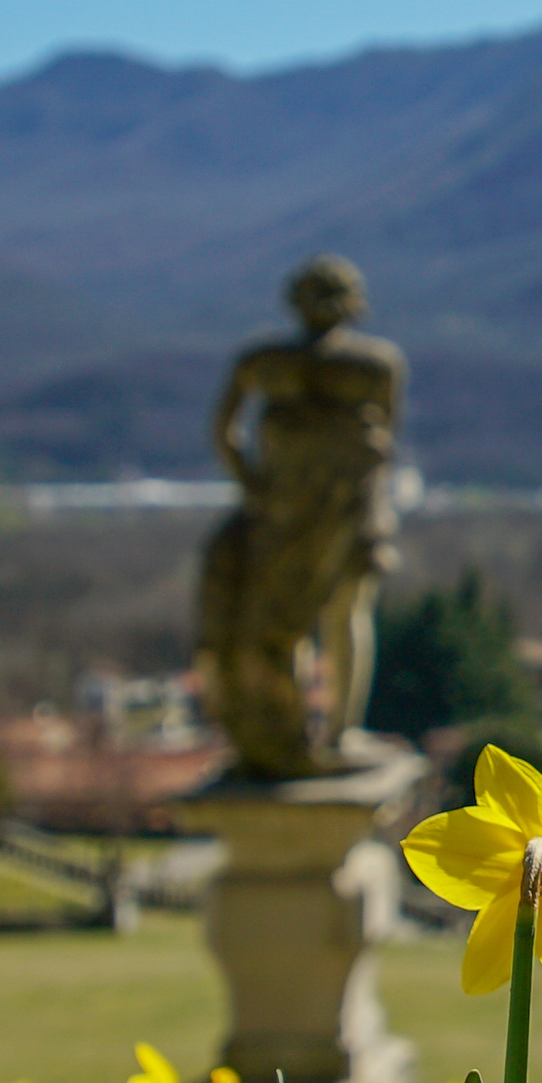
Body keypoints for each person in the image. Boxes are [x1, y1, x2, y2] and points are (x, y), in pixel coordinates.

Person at [195, 256, 405, 779]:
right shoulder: (368, 365)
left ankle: (325, 729)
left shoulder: (286, 362)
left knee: (318, 619)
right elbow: (384, 442)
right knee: (308, 621)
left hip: (316, 510)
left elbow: (225, 432)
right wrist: (254, 484)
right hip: (304, 509)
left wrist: (254, 483)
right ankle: (308, 729)